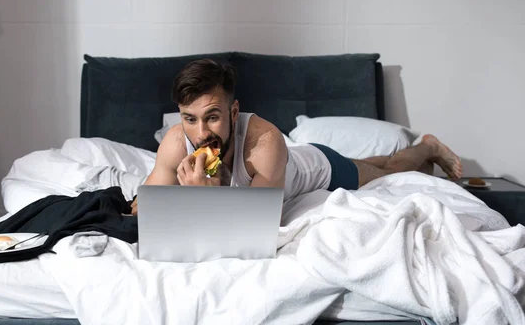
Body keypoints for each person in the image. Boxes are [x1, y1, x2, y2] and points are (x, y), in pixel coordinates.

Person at [130, 59, 462, 215]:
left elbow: (256, 226)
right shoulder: (176, 142)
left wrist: (206, 198)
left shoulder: (265, 142)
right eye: (190, 119)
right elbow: (140, 208)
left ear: (233, 112)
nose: (201, 133)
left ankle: (426, 146)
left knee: (390, 172)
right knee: (374, 163)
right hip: (291, 164)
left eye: (213, 117)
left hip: (317, 166)